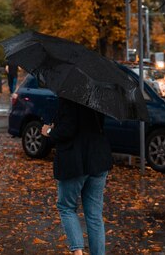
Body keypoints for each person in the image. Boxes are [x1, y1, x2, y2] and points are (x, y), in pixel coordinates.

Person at [41, 98, 113, 255]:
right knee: (94, 214)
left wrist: (48, 131)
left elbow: (67, 130)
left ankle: (78, 252)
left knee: (66, 207)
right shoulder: (98, 98)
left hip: (75, 161)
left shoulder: (70, 99)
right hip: (98, 159)